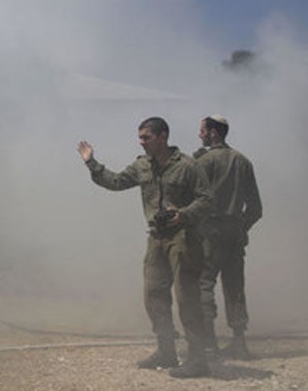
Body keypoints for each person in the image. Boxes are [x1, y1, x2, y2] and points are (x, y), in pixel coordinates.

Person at [77, 117, 213, 378]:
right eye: (140, 137)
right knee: (153, 295)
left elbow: (206, 200)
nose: (141, 142)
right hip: (156, 237)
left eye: (146, 137)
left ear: (163, 136)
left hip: (183, 237)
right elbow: (116, 181)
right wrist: (91, 162)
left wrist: (183, 215)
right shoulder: (142, 165)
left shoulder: (187, 166)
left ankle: (198, 359)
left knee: (187, 298)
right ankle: (166, 351)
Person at [195, 115, 263, 359]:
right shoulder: (243, 161)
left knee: (203, 284)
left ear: (213, 132)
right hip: (234, 233)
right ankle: (239, 342)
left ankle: (209, 343)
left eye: (203, 131)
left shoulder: (203, 161)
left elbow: (193, 200)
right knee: (234, 286)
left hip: (209, 233)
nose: (200, 135)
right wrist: (240, 228)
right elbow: (255, 209)